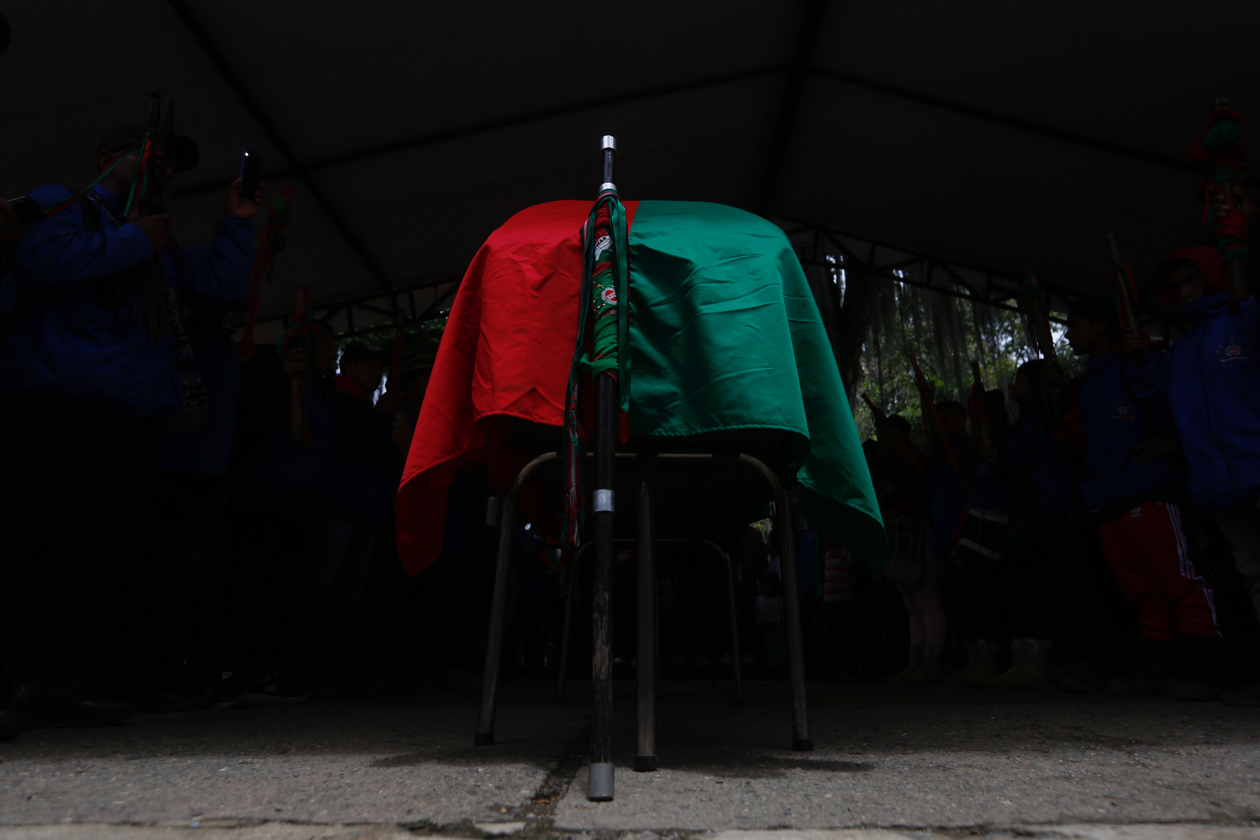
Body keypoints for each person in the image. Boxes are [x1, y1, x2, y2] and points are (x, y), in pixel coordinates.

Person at [0, 124, 261, 734]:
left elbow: (221, 284)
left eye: (172, 167)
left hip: (122, 415)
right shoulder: (65, 204)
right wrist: (132, 242)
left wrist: (238, 220)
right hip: (50, 403)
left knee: (90, 554)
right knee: (25, 542)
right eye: (152, 159)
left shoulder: (156, 238)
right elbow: (39, 259)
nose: (163, 173)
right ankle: (12, 677)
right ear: (105, 160)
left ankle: (59, 682)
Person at [1064, 296, 1220, 699]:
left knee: (1178, 580)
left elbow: (1173, 403)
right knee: (1141, 590)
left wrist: (1172, 443)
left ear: (1101, 326)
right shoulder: (1087, 381)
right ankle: (1158, 668)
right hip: (1108, 500)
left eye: (1076, 323)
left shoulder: (1141, 361)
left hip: (1147, 492)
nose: (1067, 333)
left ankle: (1202, 669)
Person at [1127, 246, 1260, 704]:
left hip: (1255, 467)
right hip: (1219, 485)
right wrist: (1144, 362)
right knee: (1253, 574)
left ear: (1213, 277)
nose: (1185, 292)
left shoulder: (1248, 317)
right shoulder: (1181, 351)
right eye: (1177, 285)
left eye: (1193, 281)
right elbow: (1163, 406)